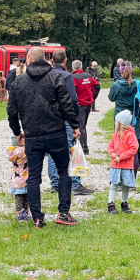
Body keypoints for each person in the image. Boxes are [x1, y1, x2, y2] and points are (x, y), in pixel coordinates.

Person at [7, 47, 80, 229]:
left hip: (32, 135)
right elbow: (67, 104)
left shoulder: (18, 82)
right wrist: (75, 125)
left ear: (28, 60)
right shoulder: (56, 77)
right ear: (46, 60)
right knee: (64, 172)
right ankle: (63, 213)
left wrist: (18, 131)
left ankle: (37, 218)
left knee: (33, 178)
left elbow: (11, 111)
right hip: (56, 133)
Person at [47, 51, 93, 196]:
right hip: (64, 117)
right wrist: (74, 122)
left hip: (49, 118)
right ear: (65, 61)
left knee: (52, 152)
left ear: (52, 60)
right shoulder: (67, 76)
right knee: (72, 149)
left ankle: (54, 183)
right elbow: (72, 99)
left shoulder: (46, 75)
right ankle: (75, 183)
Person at [108, 64, 140, 170]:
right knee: (131, 138)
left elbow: (111, 98)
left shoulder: (117, 85)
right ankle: (131, 162)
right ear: (132, 71)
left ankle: (118, 162)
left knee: (118, 138)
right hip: (132, 114)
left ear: (120, 72)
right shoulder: (137, 84)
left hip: (120, 113)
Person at [107, 109, 138, 215]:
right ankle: (110, 203)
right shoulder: (115, 135)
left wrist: (121, 157)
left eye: (116, 121)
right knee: (114, 184)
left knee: (125, 185)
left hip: (126, 165)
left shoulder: (130, 135)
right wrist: (112, 153)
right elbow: (110, 145)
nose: (115, 123)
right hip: (115, 165)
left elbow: (133, 149)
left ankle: (124, 203)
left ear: (121, 123)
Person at [72, 60, 100, 155]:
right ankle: (83, 146)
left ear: (73, 68)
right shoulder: (88, 76)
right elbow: (97, 86)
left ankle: (84, 148)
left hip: (80, 104)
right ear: (81, 67)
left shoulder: (74, 78)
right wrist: (93, 97)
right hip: (88, 104)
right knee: (83, 125)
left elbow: (72, 92)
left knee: (81, 126)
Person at [7, 135, 30, 221]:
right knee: (25, 197)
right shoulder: (22, 151)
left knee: (18, 197)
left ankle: (20, 212)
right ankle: (25, 212)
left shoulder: (11, 152)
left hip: (15, 179)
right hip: (24, 177)